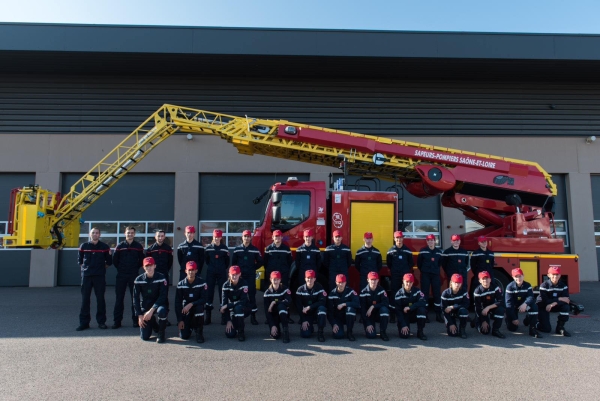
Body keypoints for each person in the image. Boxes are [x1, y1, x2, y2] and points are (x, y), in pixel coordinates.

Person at [76, 227, 113, 331]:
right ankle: (84, 323)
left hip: (99, 276)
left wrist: (100, 268)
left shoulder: (105, 247)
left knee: (100, 300)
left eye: (97, 233)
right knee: (85, 300)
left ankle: (101, 322)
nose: (95, 234)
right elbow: (80, 261)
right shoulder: (84, 246)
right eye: (93, 233)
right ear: (90, 234)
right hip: (87, 276)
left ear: (99, 235)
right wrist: (86, 270)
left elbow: (109, 262)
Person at [112, 226, 144, 329]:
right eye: (128, 232)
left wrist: (134, 268)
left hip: (134, 275)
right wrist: (122, 268)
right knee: (119, 299)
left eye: (132, 233)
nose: (130, 234)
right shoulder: (120, 246)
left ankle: (135, 321)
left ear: (134, 234)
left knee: (134, 298)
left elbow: (141, 260)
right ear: (125, 233)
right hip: (121, 275)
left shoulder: (138, 246)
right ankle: (117, 322)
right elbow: (115, 260)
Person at [231, 229, 264, 325]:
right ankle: (237, 315)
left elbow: (261, 261)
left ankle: (253, 317)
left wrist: (253, 268)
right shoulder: (237, 250)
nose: (247, 238)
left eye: (248, 236)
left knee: (252, 296)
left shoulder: (254, 250)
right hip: (240, 278)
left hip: (250, 276)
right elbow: (234, 264)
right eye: (245, 236)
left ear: (251, 238)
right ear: (242, 237)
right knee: (239, 296)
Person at [133, 257, 168, 343]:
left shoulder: (161, 277)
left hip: (159, 304)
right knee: (145, 337)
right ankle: (154, 324)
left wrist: (152, 310)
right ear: (143, 267)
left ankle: (161, 333)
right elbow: (135, 298)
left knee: (162, 311)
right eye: (147, 266)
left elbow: (163, 296)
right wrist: (140, 315)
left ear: (155, 266)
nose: (149, 268)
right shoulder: (138, 280)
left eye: (151, 265)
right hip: (145, 305)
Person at [145, 229, 173, 325]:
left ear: (164, 237)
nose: (160, 237)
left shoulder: (168, 248)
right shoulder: (150, 249)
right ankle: (151, 318)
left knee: (164, 296)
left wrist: (165, 271)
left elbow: (170, 262)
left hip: (164, 275)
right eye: (158, 236)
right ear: (155, 237)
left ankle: (165, 318)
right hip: (153, 276)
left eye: (162, 236)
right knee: (152, 296)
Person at [175, 261, 207, 343]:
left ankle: (199, 332)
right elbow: (177, 303)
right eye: (189, 270)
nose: (191, 272)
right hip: (186, 310)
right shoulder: (180, 284)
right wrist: (180, 320)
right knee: (184, 336)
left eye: (193, 270)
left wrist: (192, 304)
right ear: (185, 271)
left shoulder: (202, 283)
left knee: (200, 308)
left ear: (196, 271)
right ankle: (190, 325)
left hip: (196, 307)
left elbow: (204, 299)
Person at [505, 268, 542, 338]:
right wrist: (513, 318)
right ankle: (508, 319)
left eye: (520, 276)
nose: (518, 278)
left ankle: (532, 328)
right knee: (512, 328)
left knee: (534, 307)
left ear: (523, 276)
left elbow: (531, 297)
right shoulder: (510, 287)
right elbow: (509, 304)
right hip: (514, 307)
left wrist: (525, 304)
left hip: (524, 305)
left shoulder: (527, 285)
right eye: (516, 276)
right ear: (513, 277)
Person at [386, 230, 414, 323]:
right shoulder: (391, 251)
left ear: (403, 239)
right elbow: (389, 263)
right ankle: (393, 314)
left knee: (406, 294)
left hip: (405, 277)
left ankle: (405, 313)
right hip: (395, 276)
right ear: (394, 239)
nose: (399, 239)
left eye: (401, 238)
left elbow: (411, 263)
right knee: (394, 293)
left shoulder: (407, 250)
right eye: (397, 238)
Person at [204, 229, 230, 325]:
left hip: (221, 273)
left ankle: (223, 316)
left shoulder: (224, 248)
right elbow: (206, 260)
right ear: (213, 237)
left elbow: (227, 262)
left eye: (218, 237)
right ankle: (208, 316)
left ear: (221, 237)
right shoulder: (208, 248)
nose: (217, 238)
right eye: (215, 236)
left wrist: (221, 268)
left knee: (222, 293)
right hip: (210, 272)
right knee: (209, 293)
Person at [536, 265, 571, 337]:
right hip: (543, 306)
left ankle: (560, 328)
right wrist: (559, 299)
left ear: (560, 275)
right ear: (548, 275)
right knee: (546, 329)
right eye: (553, 274)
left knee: (566, 307)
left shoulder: (563, 286)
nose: (555, 277)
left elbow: (566, 300)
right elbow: (545, 300)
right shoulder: (544, 285)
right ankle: (534, 322)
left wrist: (554, 303)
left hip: (553, 305)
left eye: (557, 274)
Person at [417, 234, 444, 323]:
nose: (430, 242)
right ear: (427, 241)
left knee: (437, 294)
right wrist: (425, 270)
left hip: (435, 275)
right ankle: (425, 314)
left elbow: (440, 263)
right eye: (429, 240)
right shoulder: (423, 251)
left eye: (432, 240)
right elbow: (419, 264)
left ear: (434, 241)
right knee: (425, 294)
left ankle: (438, 314)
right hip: (425, 275)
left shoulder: (439, 252)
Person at [221, 266, 251, 341]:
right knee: (230, 334)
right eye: (232, 274)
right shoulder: (225, 285)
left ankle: (241, 332)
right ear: (229, 274)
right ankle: (236, 324)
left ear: (240, 274)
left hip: (244, 307)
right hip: (232, 310)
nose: (234, 276)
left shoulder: (244, 283)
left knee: (238, 308)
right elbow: (223, 305)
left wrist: (229, 305)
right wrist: (228, 320)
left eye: (236, 274)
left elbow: (243, 301)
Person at [394, 273, 428, 340]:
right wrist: (403, 325)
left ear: (413, 283)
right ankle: (404, 326)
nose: (408, 284)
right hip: (404, 316)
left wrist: (411, 307)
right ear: (403, 281)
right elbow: (398, 312)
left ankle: (420, 332)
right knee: (405, 336)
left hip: (413, 314)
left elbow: (423, 302)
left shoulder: (417, 291)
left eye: (410, 282)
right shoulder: (398, 294)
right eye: (407, 282)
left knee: (422, 310)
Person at [296, 270, 327, 342]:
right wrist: (303, 320)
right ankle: (310, 327)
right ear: (305, 278)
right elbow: (299, 306)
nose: (310, 280)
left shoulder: (319, 287)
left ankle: (320, 332)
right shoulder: (300, 290)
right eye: (308, 278)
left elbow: (322, 302)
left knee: (322, 309)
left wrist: (310, 307)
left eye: (312, 278)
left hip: (316, 312)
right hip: (307, 315)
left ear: (315, 279)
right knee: (305, 335)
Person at [327, 274, 360, 341]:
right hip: (338, 318)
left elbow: (357, 304)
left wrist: (345, 304)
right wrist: (334, 324)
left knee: (350, 309)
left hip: (347, 316)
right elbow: (329, 312)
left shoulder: (351, 292)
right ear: (336, 282)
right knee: (338, 336)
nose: (341, 284)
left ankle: (349, 332)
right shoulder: (332, 294)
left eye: (342, 282)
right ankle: (340, 329)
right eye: (339, 282)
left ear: (345, 282)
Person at [473, 271, 506, 338]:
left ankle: (495, 330)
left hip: (491, 307)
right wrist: (483, 321)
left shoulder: (495, 287)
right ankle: (476, 322)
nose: (485, 280)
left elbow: (501, 301)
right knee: (485, 331)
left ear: (490, 279)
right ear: (480, 281)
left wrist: (488, 307)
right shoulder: (477, 291)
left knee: (501, 310)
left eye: (487, 278)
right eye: (483, 279)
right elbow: (478, 308)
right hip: (482, 310)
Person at [360, 271, 390, 341]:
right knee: (371, 336)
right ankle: (370, 326)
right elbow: (362, 310)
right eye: (372, 280)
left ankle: (383, 332)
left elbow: (386, 303)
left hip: (378, 314)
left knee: (384, 310)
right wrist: (367, 323)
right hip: (368, 316)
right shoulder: (363, 292)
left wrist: (373, 306)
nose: (373, 282)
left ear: (378, 280)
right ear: (368, 280)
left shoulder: (381, 290)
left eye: (375, 279)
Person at [263, 271, 292, 343]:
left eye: (277, 279)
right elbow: (267, 312)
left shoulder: (285, 289)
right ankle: (276, 327)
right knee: (275, 336)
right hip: (274, 316)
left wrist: (275, 302)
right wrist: (272, 325)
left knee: (281, 306)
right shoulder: (267, 293)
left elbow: (289, 301)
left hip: (283, 314)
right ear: (270, 279)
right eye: (274, 279)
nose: (275, 281)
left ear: (280, 280)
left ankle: (285, 331)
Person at [441, 273, 470, 339]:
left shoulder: (464, 292)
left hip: (458, 311)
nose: (457, 285)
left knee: (464, 312)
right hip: (449, 314)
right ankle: (451, 324)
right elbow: (444, 310)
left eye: (459, 283)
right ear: (451, 283)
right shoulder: (445, 294)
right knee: (453, 334)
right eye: (455, 282)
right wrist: (451, 323)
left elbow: (466, 304)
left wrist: (453, 307)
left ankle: (462, 330)